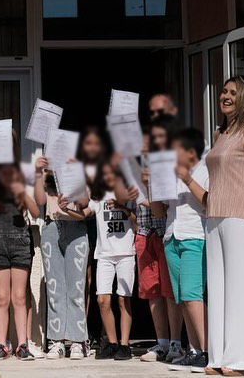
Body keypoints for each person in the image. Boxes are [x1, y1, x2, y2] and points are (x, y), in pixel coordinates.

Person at [204, 75, 244, 376]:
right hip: (214, 216)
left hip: (242, 216)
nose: (225, 96)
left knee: (241, 289)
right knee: (218, 289)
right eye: (224, 91)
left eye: (233, 92)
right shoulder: (220, 133)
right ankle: (218, 357)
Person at [151, 128, 210, 372]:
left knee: (192, 294)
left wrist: (187, 179)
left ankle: (207, 351)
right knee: (182, 297)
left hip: (195, 236)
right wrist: (150, 185)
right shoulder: (172, 173)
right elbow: (158, 211)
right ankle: (194, 350)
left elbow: (209, 202)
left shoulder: (206, 169)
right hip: (171, 236)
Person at [0, 145, 40, 361]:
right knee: (2, 298)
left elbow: (36, 211)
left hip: (21, 242)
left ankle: (23, 344)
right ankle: (2, 344)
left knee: (19, 296)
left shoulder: (22, 186)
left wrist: (21, 192)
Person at [34, 156, 90, 360]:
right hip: (51, 226)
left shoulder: (77, 168)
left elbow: (84, 202)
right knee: (55, 288)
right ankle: (56, 341)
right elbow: (40, 201)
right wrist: (38, 172)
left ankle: (77, 341)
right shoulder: (47, 172)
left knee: (76, 288)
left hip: (75, 228)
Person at [138, 115, 183, 364]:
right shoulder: (138, 165)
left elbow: (162, 208)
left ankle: (176, 342)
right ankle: (162, 343)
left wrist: (149, 188)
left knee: (170, 290)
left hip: (165, 230)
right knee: (153, 291)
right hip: (144, 231)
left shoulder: (171, 163)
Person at [87, 161, 137, 361]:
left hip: (125, 252)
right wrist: (69, 209)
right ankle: (112, 342)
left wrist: (121, 206)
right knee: (102, 300)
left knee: (124, 299)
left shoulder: (129, 193)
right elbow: (85, 212)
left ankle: (125, 345)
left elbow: (136, 220)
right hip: (105, 254)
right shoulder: (97, 196)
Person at [77, 125, 106, 347]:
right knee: (84, 280)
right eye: (88, 143)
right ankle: (83, 332)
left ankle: (105, 333)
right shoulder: (76, 169)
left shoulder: (107, 170)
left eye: (96, 143)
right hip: (83, 223)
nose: (92, 147)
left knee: (103, 282)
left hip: (104, 227)